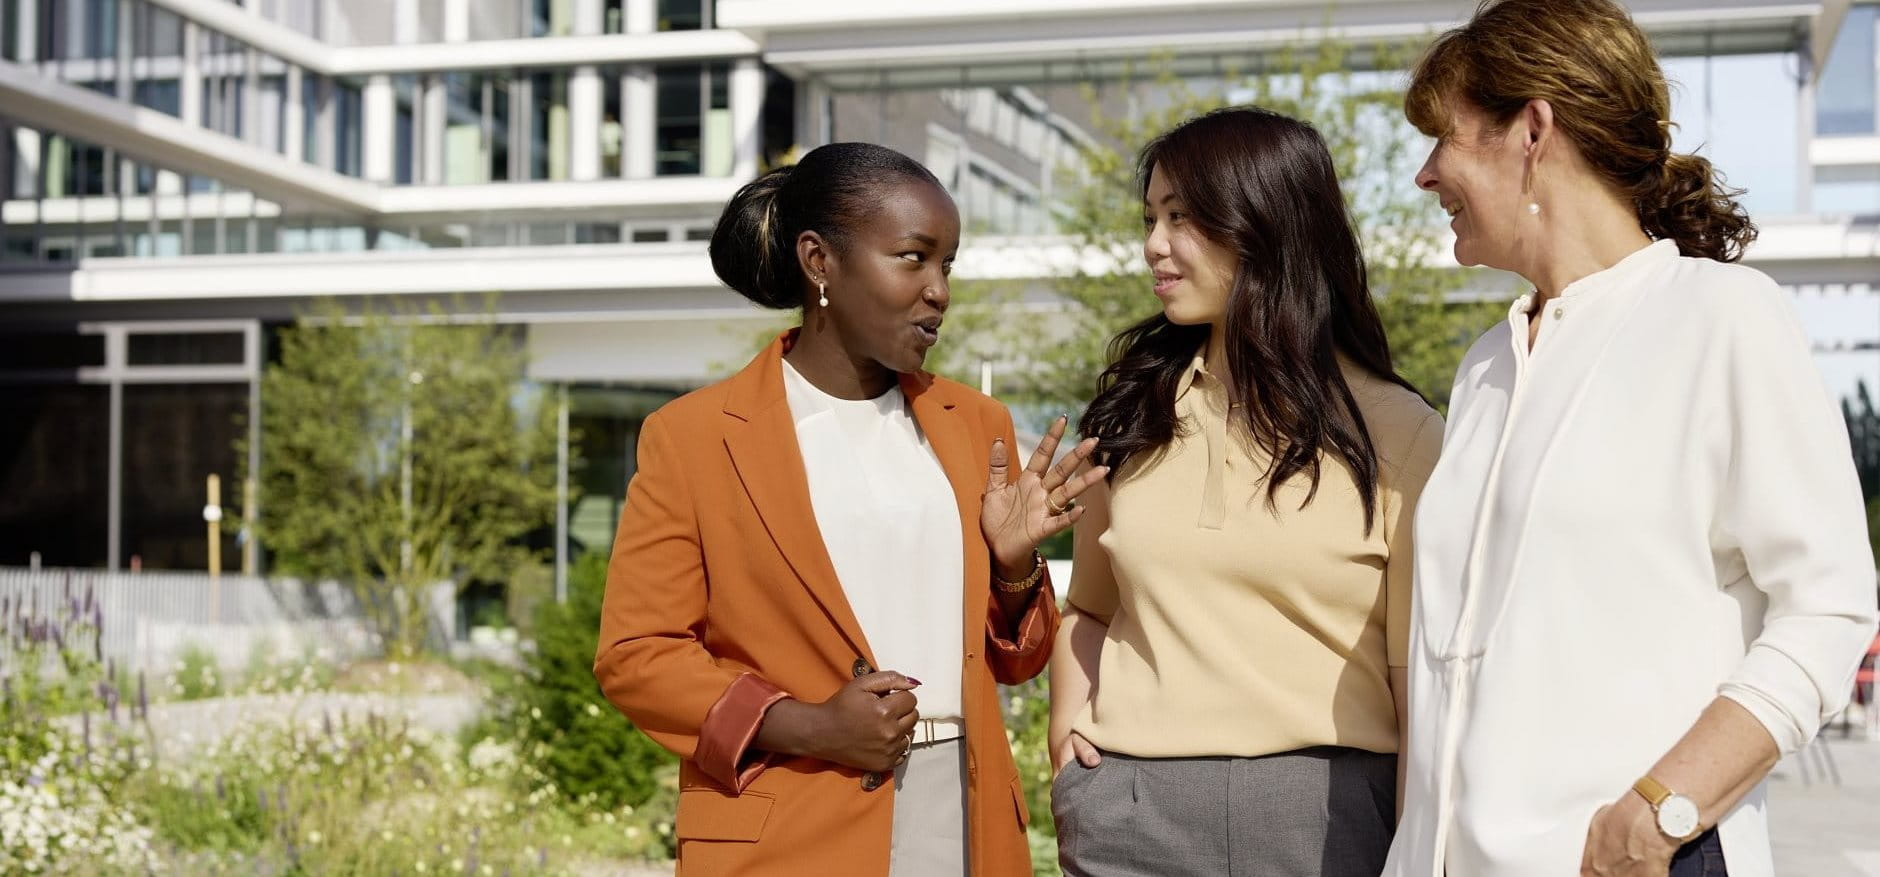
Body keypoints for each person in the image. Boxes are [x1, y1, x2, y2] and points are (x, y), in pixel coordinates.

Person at [1383, 2, 1880, 875]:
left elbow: (1829, 606)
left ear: (1532, 129)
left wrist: (1654, 819)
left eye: (1445, 139)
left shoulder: (1722, 317)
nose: (1425, 175)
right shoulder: (1485, 368)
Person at [592, 142, 1101, 876]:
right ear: (819, 261)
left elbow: (1014, 662)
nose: (939, 291)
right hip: (790, 825)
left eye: (947, 264)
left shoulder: (976, 425)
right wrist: (805, 724)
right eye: (912, 257)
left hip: (964, 814)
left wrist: (1016, 567)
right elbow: (638, 655)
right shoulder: (694, 438)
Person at [1047, 107, 1444, 876]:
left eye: (1183, 218)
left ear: (1266, 226)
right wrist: (1068, 737)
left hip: (1327, 817)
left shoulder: (1400, 432)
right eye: (1152, 218)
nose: (1154, 245)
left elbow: (1414, 678)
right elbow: (1089, 607)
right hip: (1128, 813)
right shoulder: (1132, 414)